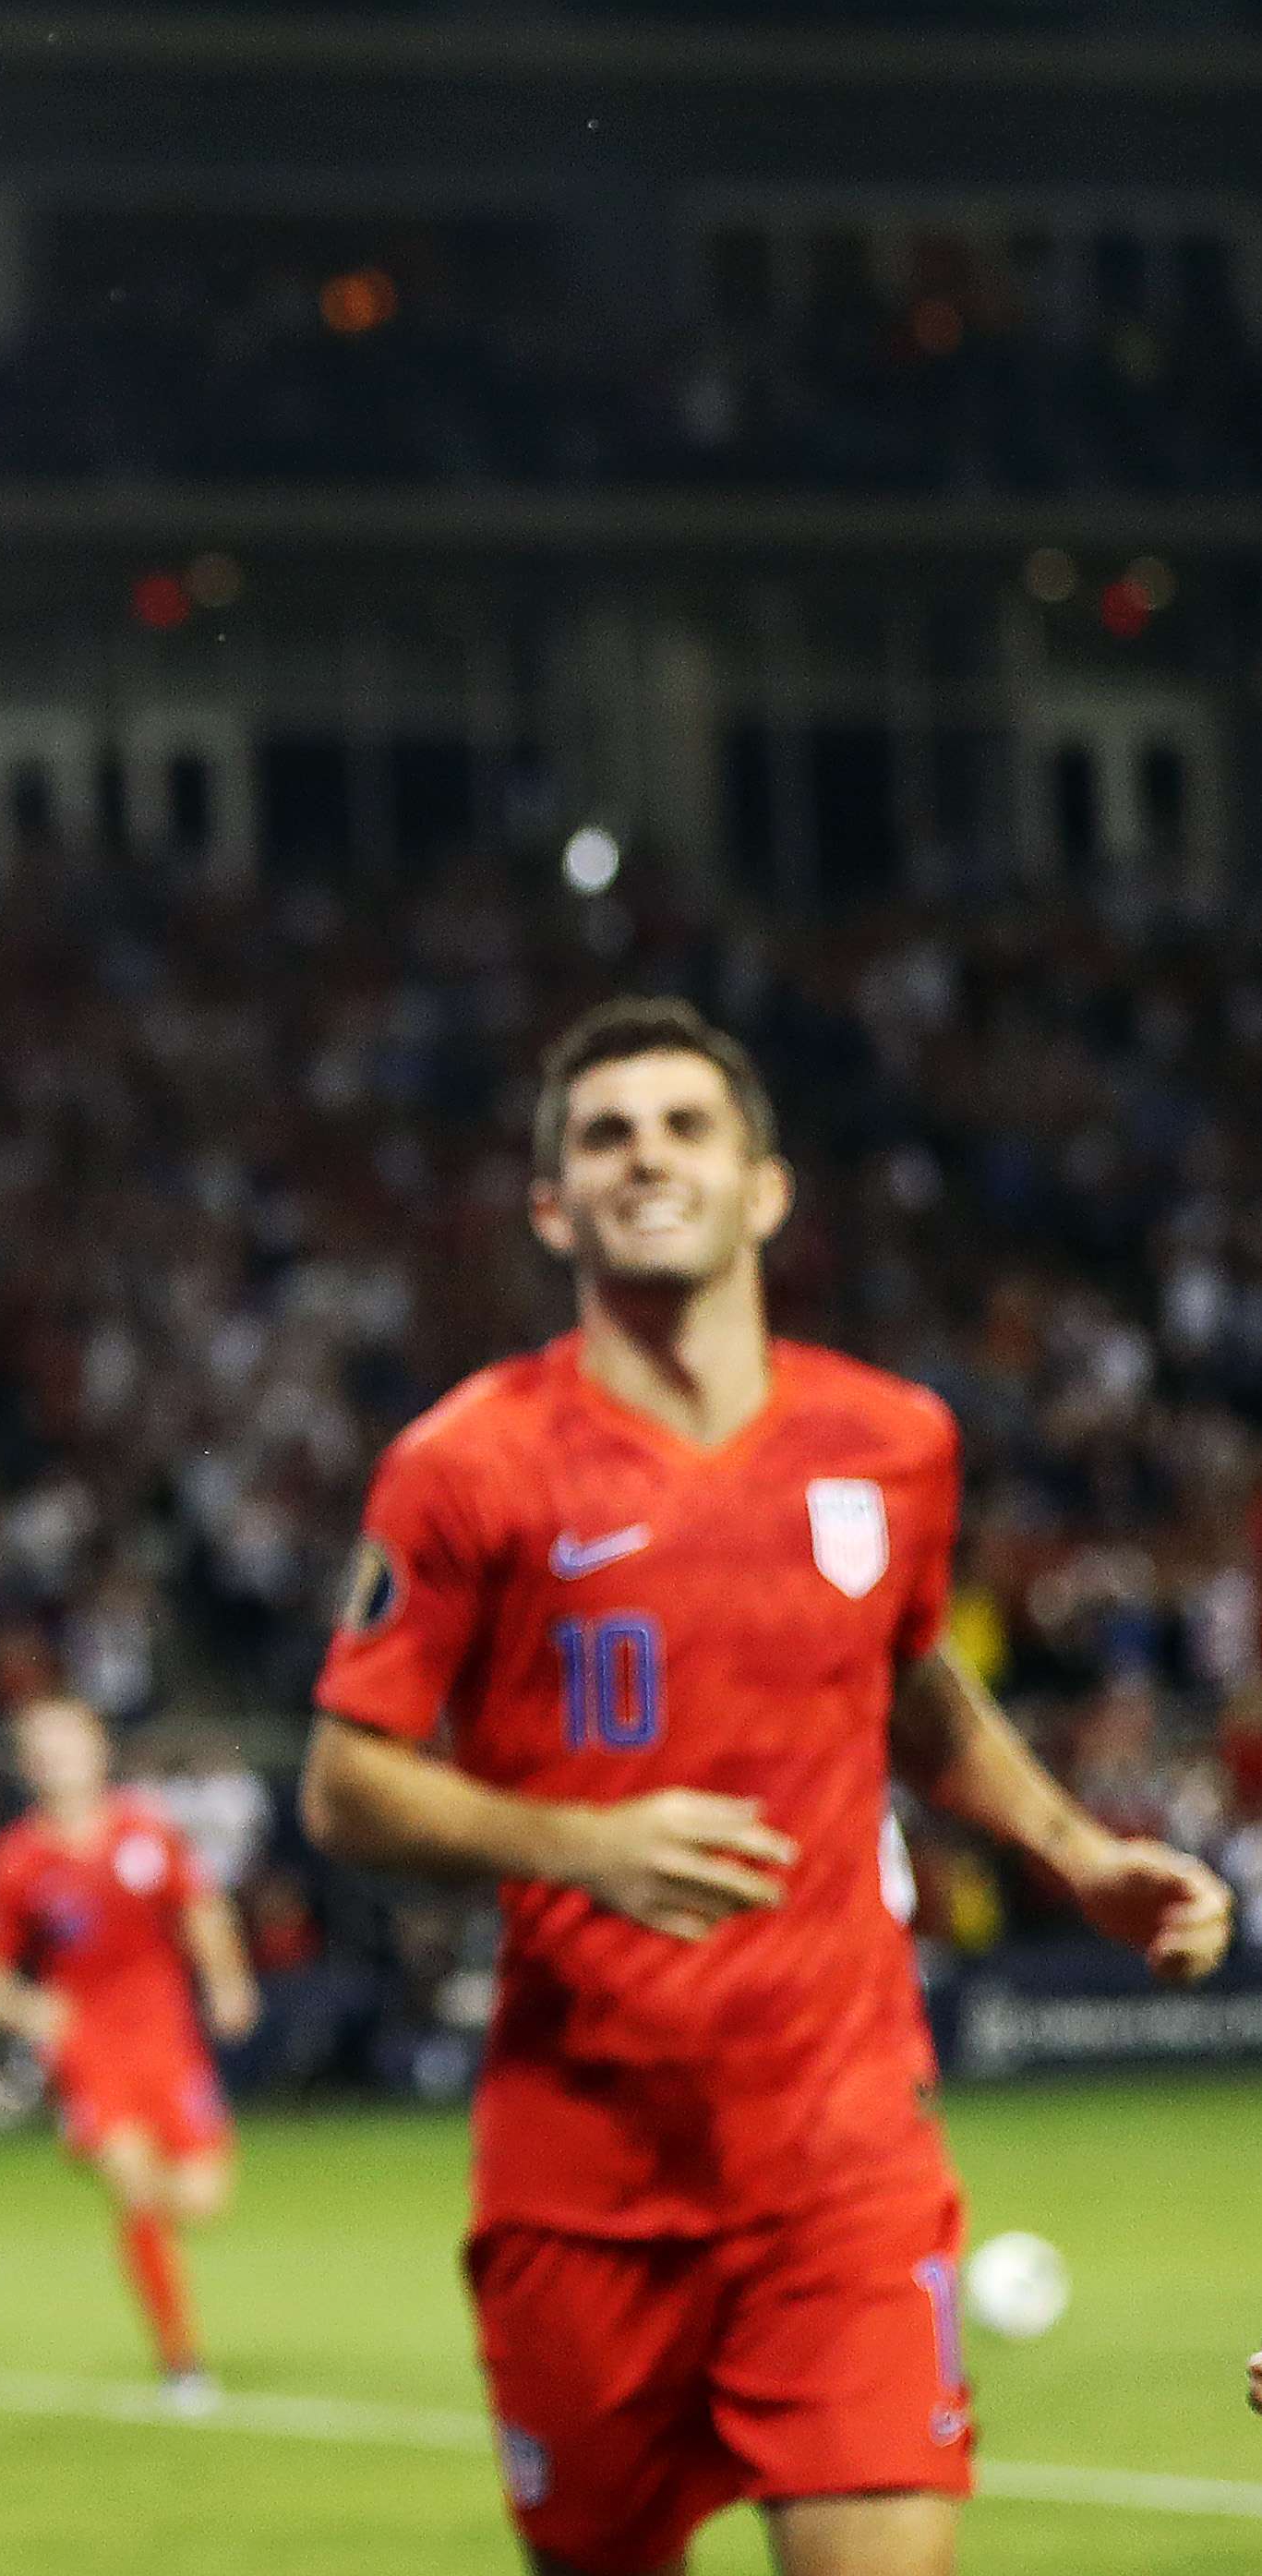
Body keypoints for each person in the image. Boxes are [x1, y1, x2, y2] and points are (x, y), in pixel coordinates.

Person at [303, 995, 1237, 2576]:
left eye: (686, 1127)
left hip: (841, 2151)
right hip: (583, 2172)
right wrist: (575, 1841)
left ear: (767, 1187)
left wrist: (1079, 1852)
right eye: (604, 1134)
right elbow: (343, 1785)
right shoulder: (465, 1463)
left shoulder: (895, 1441)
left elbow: (911, 1679)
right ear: (552, 1206)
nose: (645, 1157)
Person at [0, 1696, 258, 2410]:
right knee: (133, 2183)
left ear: (99, 1751)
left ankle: (161, 2265)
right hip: (89, 2046)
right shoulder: (17, 1861)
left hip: (167, 2036)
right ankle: (181, 2362)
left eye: (69, 1745)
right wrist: (33, 2010)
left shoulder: (146, 1832)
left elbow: (200, 1908)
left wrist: (227, 1981)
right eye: (43, 1749)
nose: (57, 1760)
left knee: (203, 2199)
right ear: (28, 1766)